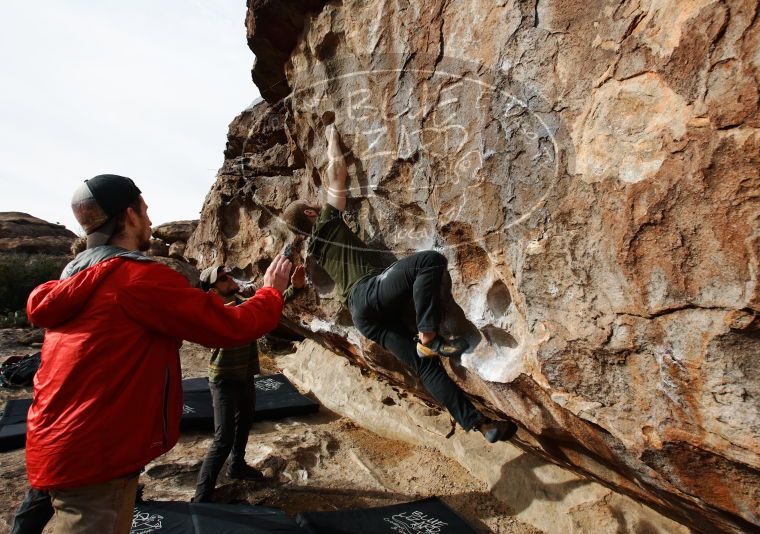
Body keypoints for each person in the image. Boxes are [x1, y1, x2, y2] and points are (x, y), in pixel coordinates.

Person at [17, 174, 293, 533]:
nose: (150, 220)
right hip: (97, 456)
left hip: (53, 440)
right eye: (145, 211)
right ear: (129, 216)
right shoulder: (135, 280)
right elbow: (228, 327)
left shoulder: (73, 279)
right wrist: (271, 293)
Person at [282, 124, 517, 443]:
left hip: (364, 319)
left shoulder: (317, 247)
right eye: (313, 204)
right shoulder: (325, 222)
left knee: (426, 368)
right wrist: (332, 140)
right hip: (368, 293)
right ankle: (429, 335)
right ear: (311, 212)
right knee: (429, 261)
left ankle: (480, 424)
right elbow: (337, 173)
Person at [192, 263, 305, 502]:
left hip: (244, 375)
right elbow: (238, 317)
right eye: (222, 279)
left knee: (244, 423)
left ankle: (237, 466)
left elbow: (270, 307)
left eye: (227, 275)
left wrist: (294, 289)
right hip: (223, 379)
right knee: (223, 439)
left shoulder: (243, 303)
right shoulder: (212, 314)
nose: (229, 279)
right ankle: (201, 499)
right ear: (212, 291)